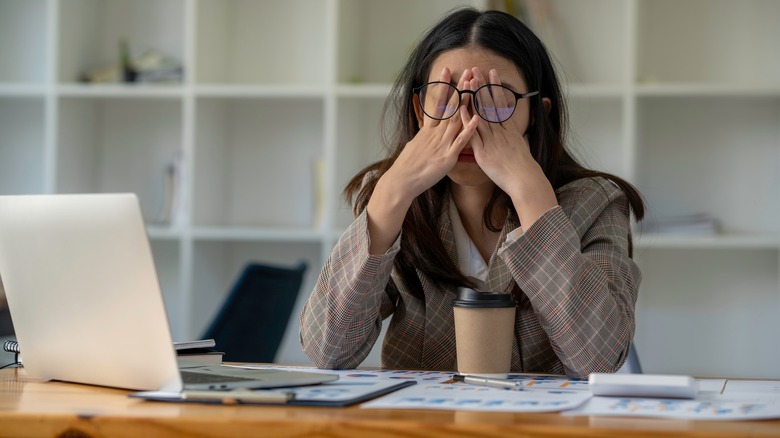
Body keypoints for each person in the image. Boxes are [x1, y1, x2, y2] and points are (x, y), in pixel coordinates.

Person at [299, 7, 644, 378]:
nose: (468, 121)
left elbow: (599, 359)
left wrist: (532, 195)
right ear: (419, 111)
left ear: (537, 114)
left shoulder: (597, 202)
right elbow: (327, 350)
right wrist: (392, 193)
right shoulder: (393, 200)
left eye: (495, 99)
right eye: (445, 97)